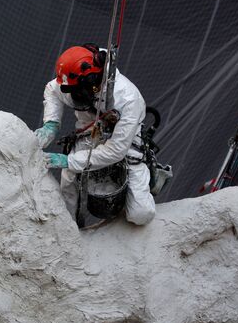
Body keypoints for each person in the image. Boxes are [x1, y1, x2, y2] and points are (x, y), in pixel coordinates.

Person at [34, 43, 155, 225]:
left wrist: (70, 161)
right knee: (69, 183)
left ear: (92, 83)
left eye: (78, 93)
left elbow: (116, 151)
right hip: (89, 132)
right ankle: (69, 229)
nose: (74, 97)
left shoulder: (128, 99)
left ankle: (146, 181)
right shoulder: (73, 82)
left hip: (124, 139)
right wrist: (51, 124)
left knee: (141, 213)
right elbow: (52, 90)